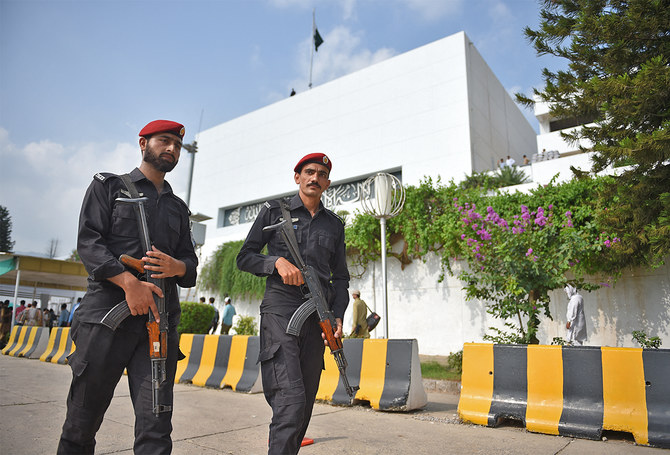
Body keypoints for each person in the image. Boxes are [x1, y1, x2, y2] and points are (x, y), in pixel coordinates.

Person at [57, 119, 199, 454]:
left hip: (158, 327)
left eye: (177, 145)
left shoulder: (178, 208)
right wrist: (127, 282)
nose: (172, 149)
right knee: (81, 422)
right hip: (105, 320)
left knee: (156, 428)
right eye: (164, 141)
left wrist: (176, 266)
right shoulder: (108, 187)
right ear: (142, 143)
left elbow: (190, 267)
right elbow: (89, 243)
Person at [237, 152, 350, 455]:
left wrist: (337, 317)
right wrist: (275, 263)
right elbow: (245, 257)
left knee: (305, 401)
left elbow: (340, 279)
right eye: (309, 172)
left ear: (327, 182)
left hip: (318, 316)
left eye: (322, 174)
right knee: (291, 398)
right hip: (281, 309)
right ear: (297, 177)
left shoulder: (334, 225)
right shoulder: (274, 212)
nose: (315, 178)